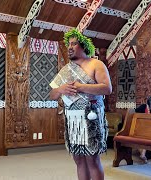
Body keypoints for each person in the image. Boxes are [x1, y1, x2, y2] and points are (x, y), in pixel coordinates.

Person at [49, 28, 112, 180]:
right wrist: (61, 89)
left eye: (74, 44)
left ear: (83, 46)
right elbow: (52, 95)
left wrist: (80, 87)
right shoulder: (66, 69)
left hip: (91, 117)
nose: (69, 47)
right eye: (68, 44)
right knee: (78, 159)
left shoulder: (96, 64)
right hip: (73, 120)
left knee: (92, 159)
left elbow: (107, 88)